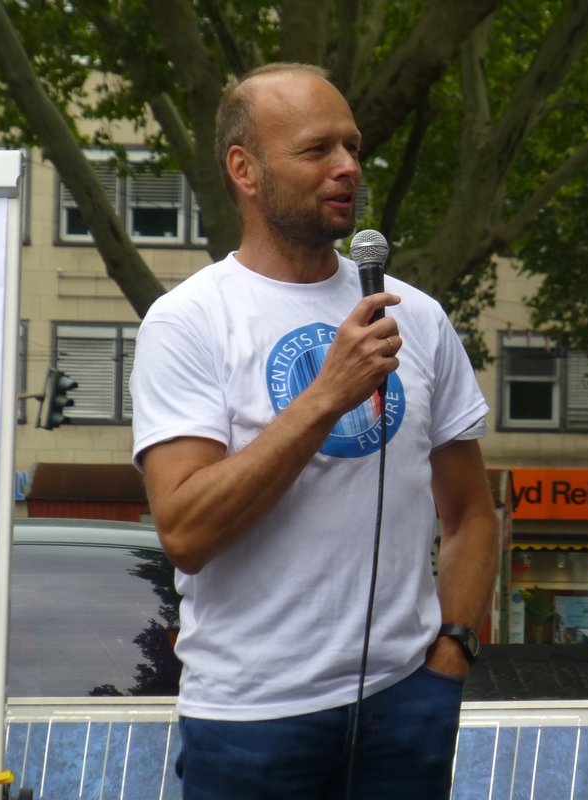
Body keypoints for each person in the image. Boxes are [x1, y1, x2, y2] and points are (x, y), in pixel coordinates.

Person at [130, 63, 498, 799]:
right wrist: (324, 397)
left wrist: (451, 652)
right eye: (317, 150)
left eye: (354, 147)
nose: (348, 168)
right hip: (251, 721)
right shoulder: (189, 321)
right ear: (246, 170)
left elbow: (470, 514)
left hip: (405, 704)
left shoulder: (415, 317)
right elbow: (187, 532)